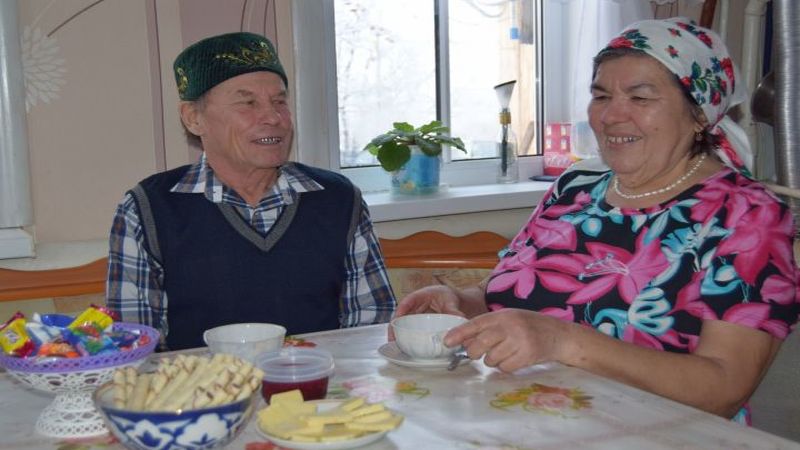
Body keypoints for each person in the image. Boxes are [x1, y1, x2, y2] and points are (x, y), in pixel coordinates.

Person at [394, 18, 799, 424]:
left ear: (699, 114)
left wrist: (562, 341)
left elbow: (723, 389)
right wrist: (460, 302)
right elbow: (503, 294)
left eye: (640, 97)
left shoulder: (748, 214)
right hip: (524, 419)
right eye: (601, 95)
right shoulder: (576, 186)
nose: (611, 115)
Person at [106, 32, 395, 351]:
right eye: (248, 103)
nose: (273, 117)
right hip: (200, 384)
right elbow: (133, 351)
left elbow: (372, 329)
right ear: (193, 118)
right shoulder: (147, 210)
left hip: (321, 380)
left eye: (280, 102)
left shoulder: (338, 200)